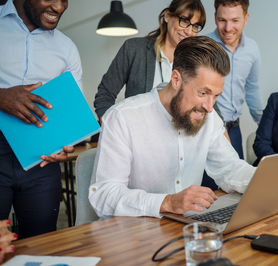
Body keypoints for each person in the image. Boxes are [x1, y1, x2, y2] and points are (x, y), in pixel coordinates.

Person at [89, 36, 255, 217]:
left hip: (186, 229)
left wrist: (270, 180)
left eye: (215, 96)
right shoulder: (122, 118)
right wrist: (167, 202)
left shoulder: (209, 117)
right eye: (203, 93)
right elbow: (104, 194)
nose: (209, 106)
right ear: (176, 79)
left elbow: (230, 168)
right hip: (133, 233)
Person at [0, 0, 82, 238]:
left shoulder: (67, 48)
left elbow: (70, 114)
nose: (59, 7)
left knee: (42, 243)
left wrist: (67, 142)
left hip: (43, 162)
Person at [94, 0, 206, 120]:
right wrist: (113, 127)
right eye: (184, 20)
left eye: (195, 26)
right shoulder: (134, 49)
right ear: (167, 16)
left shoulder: (196, 63)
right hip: (137, 134)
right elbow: (104, 95)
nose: (189, 31)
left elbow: (209, 107)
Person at [206, 0, 263, 160]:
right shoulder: (203, 45)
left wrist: (264, 126)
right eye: (222, 20)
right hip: (207, 129)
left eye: (235, 20)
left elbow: (252, 89)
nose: (228, 28)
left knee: (236, 182)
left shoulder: (252, 49)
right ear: (215, 17)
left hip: (234, 130)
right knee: (207, 184)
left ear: (246, 18)